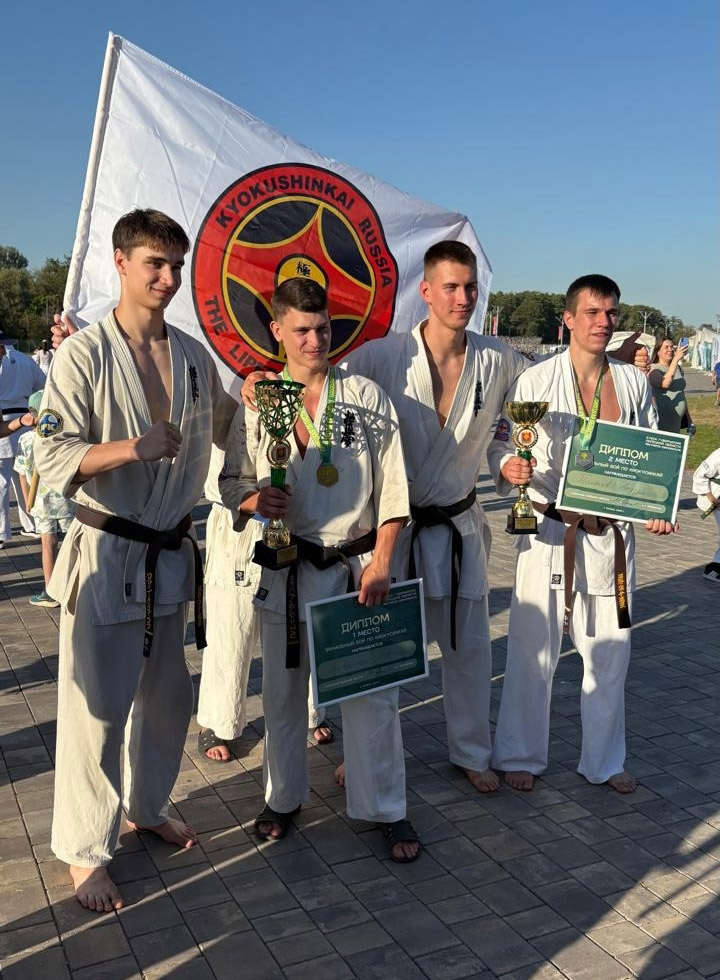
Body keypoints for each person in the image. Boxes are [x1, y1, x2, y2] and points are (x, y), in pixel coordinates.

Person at [34, 208, 237, 913]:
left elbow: (228, 427)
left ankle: (146, 807)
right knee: (96, 711)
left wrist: (258, 426)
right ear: (120, 263)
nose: (169, 278)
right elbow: (50, 456)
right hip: (107, 550)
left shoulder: (193, 357)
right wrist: (131, 448)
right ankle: (84, 851)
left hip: (170, 551)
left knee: (166, 700)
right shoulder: (83, 355)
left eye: (176, 265)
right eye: (155, 263)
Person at [221, 276, 420, 861]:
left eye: (324, 328)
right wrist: (254, 500)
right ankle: (282, 798)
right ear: (277, 331)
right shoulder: (258, 402)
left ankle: (385, 807)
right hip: (286, 567)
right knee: (282, 696)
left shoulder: (365, 396)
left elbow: (393, 492)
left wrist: (382, 563)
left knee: (371, 698)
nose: (316, 340)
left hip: (355, 566)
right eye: (303, 330)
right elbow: (230, 481)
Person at [488, 274, 677, 795]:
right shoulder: (535, 380)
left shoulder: (633, 382)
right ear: (568, 318)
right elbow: (503, 443)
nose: (603, 322)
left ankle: (604, 760)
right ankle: (520, 753)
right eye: (592, 312)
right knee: (533, 647)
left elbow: (652, 453)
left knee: (611, 650)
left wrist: (658, 505)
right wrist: (508, 466)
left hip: (611, 536)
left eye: (611, 313)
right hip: (549, 528)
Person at [196, 450, 335, 762]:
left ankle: (313, 711)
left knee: (302, 616)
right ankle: (218, 719)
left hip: (300, 521)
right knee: (231, 624)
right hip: (239, 520)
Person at [13, 390, 76, 606]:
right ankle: (73, 585)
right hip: (67, 498)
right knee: (72, 543)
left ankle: (51, 590)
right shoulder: (64, 437)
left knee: (48, 544)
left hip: (40, 501)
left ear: (31, 414)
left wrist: (27, 501)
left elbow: (22, 473)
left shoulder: (26, 439)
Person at [0, 332, 46, 545]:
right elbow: (42, 386)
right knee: (25, 476)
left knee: (2, 482)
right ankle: (32, 524)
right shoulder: (26, 360)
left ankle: (2, 532)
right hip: (24, 420)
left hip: (9, 422)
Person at [648, 337, 694, 434]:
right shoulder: (652, 368)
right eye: (666, 347)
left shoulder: (678, 368)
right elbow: (664, 383)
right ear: (658, 352)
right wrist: (676, 359)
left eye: (672, 347)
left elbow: (681, 394)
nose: (670, 349)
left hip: (675, 424)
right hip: (659, 424)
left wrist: (689, 420)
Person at [692, 447, 720, 582]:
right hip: (716, 499)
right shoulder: (718, 455)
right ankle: (714, 568)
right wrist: (711, 498)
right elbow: (699, 475)